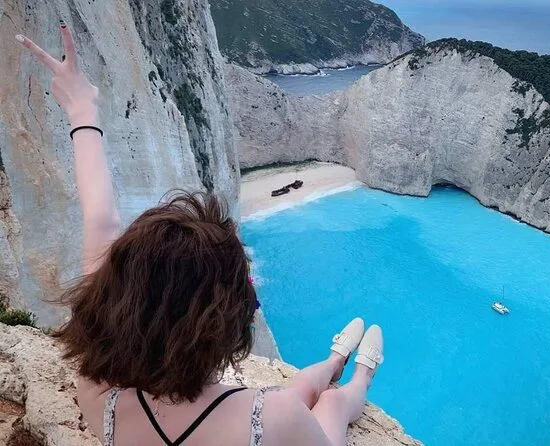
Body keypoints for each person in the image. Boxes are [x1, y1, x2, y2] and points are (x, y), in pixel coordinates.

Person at [15, 21, 384, 446]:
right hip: (259, 421)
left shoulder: (97, 393)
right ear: (221, 327)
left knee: (299, 388)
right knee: (331, 403)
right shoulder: (277, 417)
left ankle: (334, 361)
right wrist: (83, 110)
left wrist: (82, 111)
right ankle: (359, 376)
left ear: (119, 304)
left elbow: (100, 223)